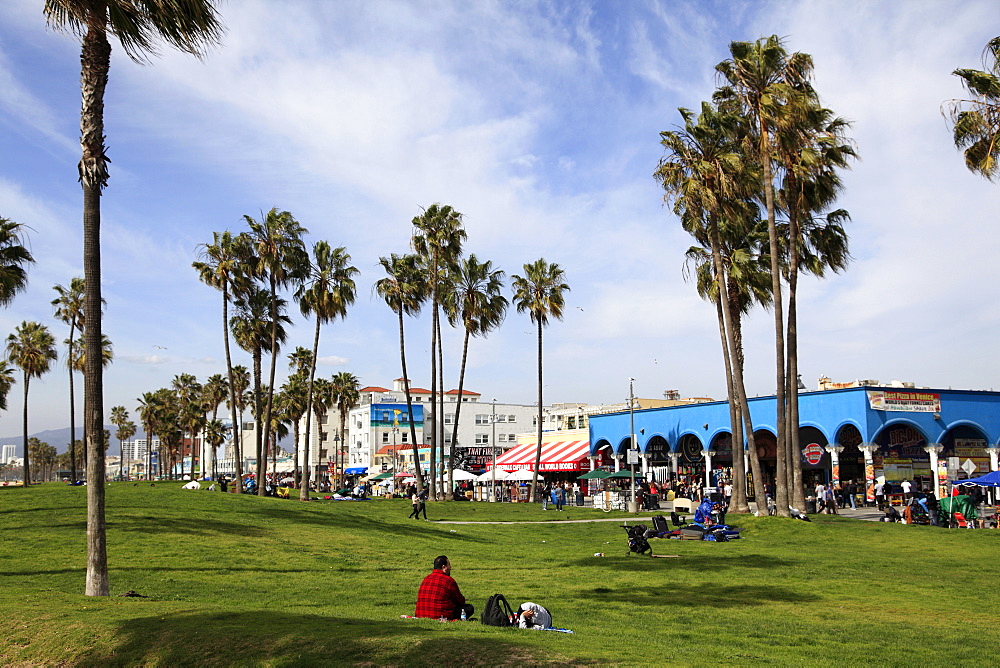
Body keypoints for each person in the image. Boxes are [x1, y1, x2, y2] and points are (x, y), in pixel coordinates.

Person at [415, 555, 473, 620]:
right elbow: (460, 600)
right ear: (444, 567)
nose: (450, 567)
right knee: (469, 608)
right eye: (449, 565)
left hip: (421, 614)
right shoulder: (448, 581)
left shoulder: (426, 579)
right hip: (440, 615)